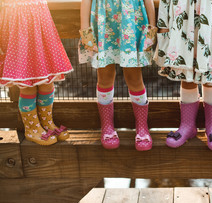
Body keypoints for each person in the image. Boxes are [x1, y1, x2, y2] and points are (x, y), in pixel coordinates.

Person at [155, 0, 212, 151]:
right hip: (181, 25)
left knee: (211, 77)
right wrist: (163, 28)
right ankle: (187, 126)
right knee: (186, 76)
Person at [79, 0, 157, 151]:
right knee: (105, 77)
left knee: (134, 78)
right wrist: (85, 29)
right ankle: (107, 127)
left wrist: (151, 27)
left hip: (131, 21)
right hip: (102, 22)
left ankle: (142, 128)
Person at [0, 0, 73, 145]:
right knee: (27, 84)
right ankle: (32, 128)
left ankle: (47, 123)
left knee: (47, 82)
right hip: (16, 28)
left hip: (41, 27)